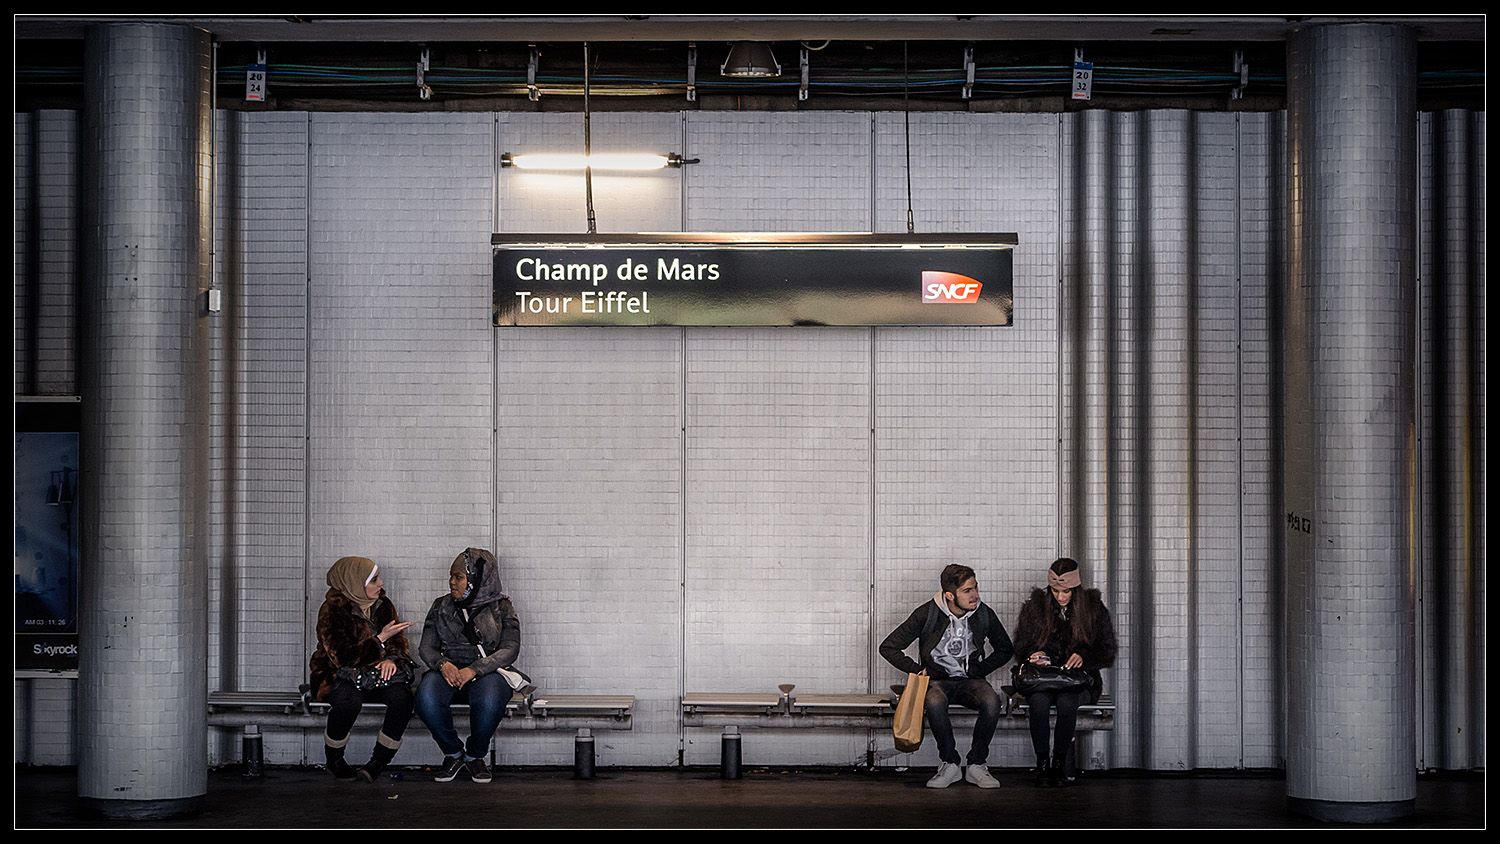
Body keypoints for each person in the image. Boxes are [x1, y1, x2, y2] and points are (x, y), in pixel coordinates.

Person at [880, 564, 1014, 789]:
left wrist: (981, 669)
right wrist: (918, 670)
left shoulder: (983, 613)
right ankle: (950, 763)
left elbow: (1005, 649)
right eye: (967, 590)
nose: (975, 595)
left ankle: (977, 765)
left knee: (992, 702)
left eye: (975, 587)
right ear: (950, 595)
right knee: (934, 702)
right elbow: (888, 647)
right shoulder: (928, 613)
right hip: (937, 681)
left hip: (970, 681)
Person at [415, 548, 521, 784]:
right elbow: (426, 647)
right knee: (425, 698)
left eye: (459, 577)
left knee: (490, 700)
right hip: (447, 671)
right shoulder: (441, 606)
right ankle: (453, 753)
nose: (452, 582)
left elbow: (510, 649)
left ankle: (474, 756)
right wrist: (442, 664)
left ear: (477, 578)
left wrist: (475, 669)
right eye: (451, 576)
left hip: (487, 672)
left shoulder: (501, 607)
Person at [1012, 557, 1117, 787]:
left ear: (1075, 589)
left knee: (1067, 703)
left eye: (1066, 591)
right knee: (1038, 703)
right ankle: (1042, 764)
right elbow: (1020, 647)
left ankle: (1059, 764)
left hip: (1078, 682)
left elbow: (1107, 651)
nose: (1060, 596)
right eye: (1056, 591)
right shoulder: (1035, 608)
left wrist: (1084, 658)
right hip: (1044, 679)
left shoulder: (1093, 609)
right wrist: (1033, 654)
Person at [309, 555, 415, 782]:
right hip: (336, 674)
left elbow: (399, 642)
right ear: (354, 583)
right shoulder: (332, 610)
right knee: (348, 701)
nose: (381, 584)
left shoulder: (383, 604)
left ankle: (379, 761)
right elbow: (342, 657)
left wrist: (391, 660)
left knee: (402, 698)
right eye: (374, 580)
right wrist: (379, 640)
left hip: (375, 674)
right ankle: (334, 760)